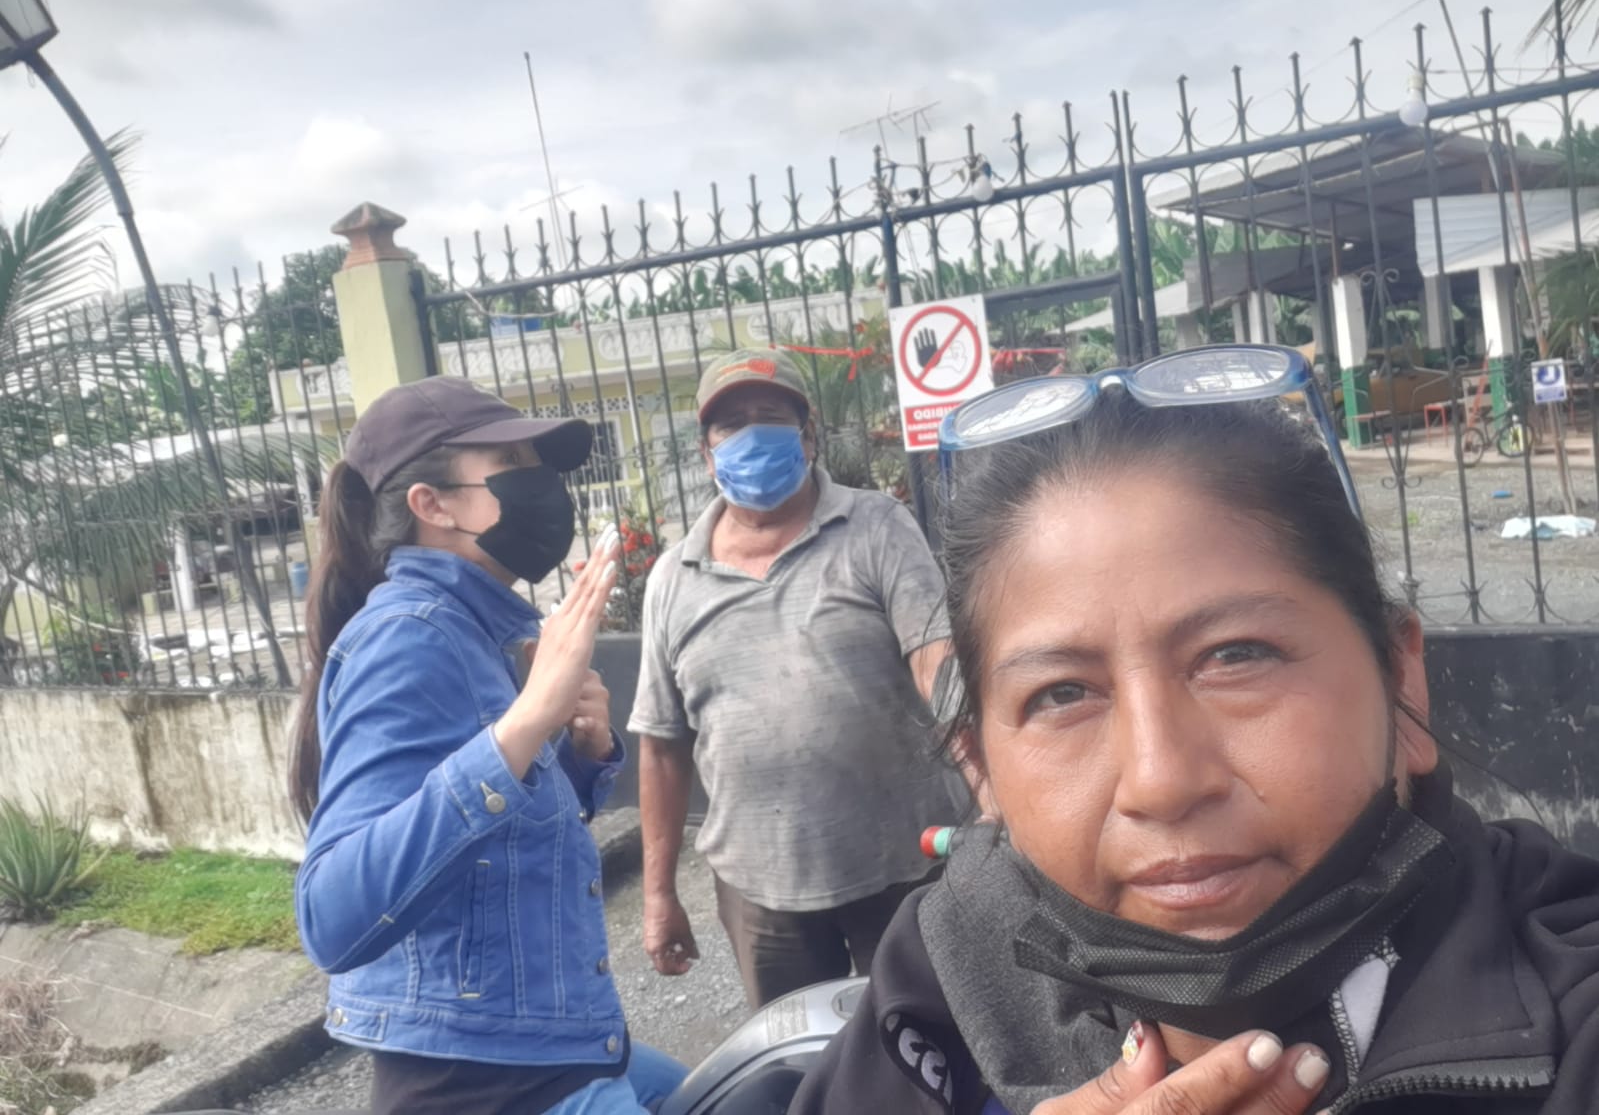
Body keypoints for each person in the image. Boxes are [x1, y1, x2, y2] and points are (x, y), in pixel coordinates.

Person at [790, 346, 1599, 1115]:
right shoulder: (938, 980)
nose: (1161, 781)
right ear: (982, 766)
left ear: (1398, 680)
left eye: (1234, 656)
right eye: (1062, 694)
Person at [289, 376, 687, 1115]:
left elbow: (499, 845)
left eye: (538, 465)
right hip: (483, 1084)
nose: (544, 487)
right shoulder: (408, 638)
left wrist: (577, 754)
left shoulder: (486, 630)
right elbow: (332, 916)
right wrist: (524, 723)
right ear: (431, 505)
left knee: (750, 1086)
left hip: (551, 1043)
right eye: (511, 465)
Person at [629, 348, 959, 1010]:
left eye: (770, 417)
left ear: (808, 437)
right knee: (798, 1055)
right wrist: (658, 895)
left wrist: (995, 790)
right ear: (707, 453)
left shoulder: (875, 526)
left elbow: (937, 663)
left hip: (902, 867)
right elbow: (662, 746)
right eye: (731, 424)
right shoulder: (672, 578)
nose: (751, 434)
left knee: (925, 1041)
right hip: (761, 894)